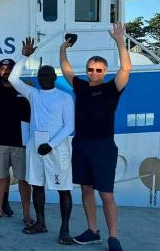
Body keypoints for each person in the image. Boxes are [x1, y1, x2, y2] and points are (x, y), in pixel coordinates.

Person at [61, 22, 131, 251]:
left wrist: (119, 40)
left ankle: (113, 237)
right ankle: (92, 231)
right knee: (86, 189)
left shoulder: (113, 88)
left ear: (105, 72)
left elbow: (126, 69)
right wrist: (63, 49)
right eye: (91, 69)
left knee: (106, 194)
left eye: (98, 70)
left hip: (103, 146)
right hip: (81, 144)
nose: (93, 73)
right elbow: (67, 71)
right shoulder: (81, 87)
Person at [10, 37, 75, 245]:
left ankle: (64, 229)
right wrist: (24, 57)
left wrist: (52, 144)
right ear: (37, 78)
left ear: (54, 78)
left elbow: (69, 126)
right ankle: (40, 223)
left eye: (48, 74)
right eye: (41, 75)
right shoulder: (33, 94)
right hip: (36, 148)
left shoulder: (65, 97)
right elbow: (13, 79)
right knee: (36, 186)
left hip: (57, 149)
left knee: (64, 188)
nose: (45, 77)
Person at [0, 58, 33, 225]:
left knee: (24, 180)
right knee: (0, 176)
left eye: (9, 68)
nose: (5, 71)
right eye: (2, 69)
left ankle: (26, 214)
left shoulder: (25, 88)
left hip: (21, 142)